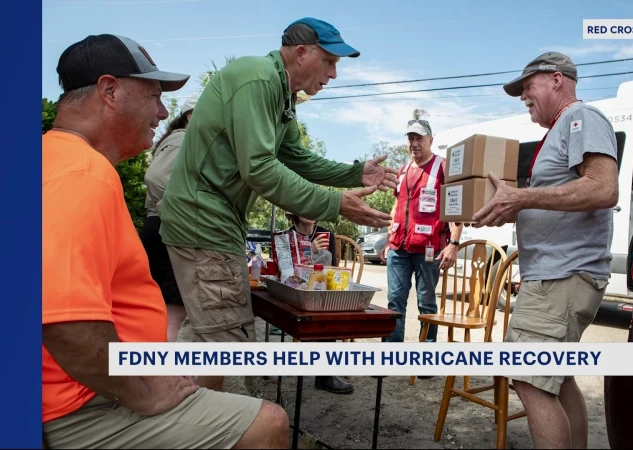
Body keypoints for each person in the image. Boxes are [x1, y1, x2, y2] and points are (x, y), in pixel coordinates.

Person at [42, 34, 289, 449]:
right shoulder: (81, 174)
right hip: (80, 404)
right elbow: (65, 323)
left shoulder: (55, 157)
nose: (161, 112)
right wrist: (143, 394)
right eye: (154, 96)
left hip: (89, 384)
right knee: (268, 423)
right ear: (109, 91)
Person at [158, 17, 397, 392]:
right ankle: (210, 425)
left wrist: (355, 173)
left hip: (216, 224)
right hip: (203, 223)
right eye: (330, 62)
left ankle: (171, 409)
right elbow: (260, 168)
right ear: (301, 53)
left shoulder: (281, 96)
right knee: (228, 343)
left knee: (207, 334)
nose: (333, 74)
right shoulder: (257, 79)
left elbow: (296, 158)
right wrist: (335, 204)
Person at [472, 52, 619, 449]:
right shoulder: (559, 130)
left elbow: (604, 188)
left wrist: (521, 197)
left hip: (562, 277)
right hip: (558, 276)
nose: (523, 96)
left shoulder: (582, 118)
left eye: (527, 86)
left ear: (557, 79)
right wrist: (517, 209)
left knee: (528, 378)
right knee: (558, 379)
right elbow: (553, 199)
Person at [380, 118, 462, 346]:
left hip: (429, 249)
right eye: (411, 139)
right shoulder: (403, 170)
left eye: (419, 138)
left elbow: (456, 204)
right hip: (398, 249)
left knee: (426, 303)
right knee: (394, 301)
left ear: (431, 140)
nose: (414, 143)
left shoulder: (442, 167)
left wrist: (453, 244)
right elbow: (397, 206)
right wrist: (388, 239)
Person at [140, 93, 199, 342]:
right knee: (173, 311)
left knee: (169, 309)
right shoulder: (182, 140)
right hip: (168, 228)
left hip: (165, 226)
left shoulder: (183, 139)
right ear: (190, 115)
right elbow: (156, 179)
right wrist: (180, 213)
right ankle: (163, 376)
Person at [285, 212, 355, 394]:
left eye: (314, 207)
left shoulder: (326, 235)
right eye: (305, 207)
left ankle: (324, 375)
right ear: (294, 211)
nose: (310, 211)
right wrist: (309, 250)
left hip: (319, 291)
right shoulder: (287, 236)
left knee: (331, 307)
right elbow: (286, 272)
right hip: (295, 290)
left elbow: (331, 268)